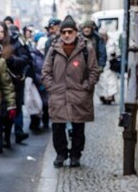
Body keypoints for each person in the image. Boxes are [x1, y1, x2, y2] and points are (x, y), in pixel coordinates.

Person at [41, 14, 100, 168]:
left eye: (70, 32)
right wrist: (51, 87)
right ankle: (61, 154)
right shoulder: (54, 49)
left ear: (75, 32)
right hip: (58, 94)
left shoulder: (86, 48)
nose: (67, 35)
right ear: (60, 33)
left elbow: (94, 70)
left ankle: (75, 155)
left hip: (79, 94)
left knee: (78, 128)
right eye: (64, 32)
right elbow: (45, 71)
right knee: (58, 127)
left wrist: (87, 85)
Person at [0, 21, 31, 147]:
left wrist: (12, 60)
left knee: (12, 109)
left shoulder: (15, 43)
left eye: (1, 32)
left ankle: (10, 135)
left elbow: (26, 59)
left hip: (13, 82)